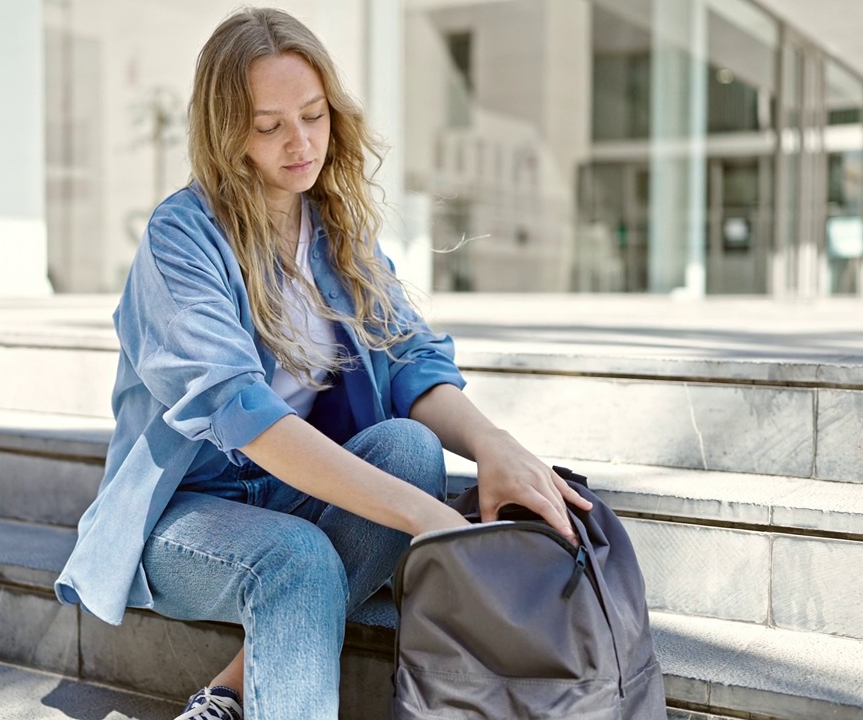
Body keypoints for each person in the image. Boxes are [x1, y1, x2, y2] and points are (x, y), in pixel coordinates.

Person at [53, 8, 592, 720]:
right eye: (269, 125)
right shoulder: (179, 240)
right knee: (298, 562)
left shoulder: (338, 233)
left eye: (312, 115)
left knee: (409, 447)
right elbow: (243, 413)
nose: (299, 142)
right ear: (226, 133)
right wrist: (431, 520)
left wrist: (495, 446)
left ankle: (232, 691)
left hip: (290, 496)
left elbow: (410, 360)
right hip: (183, 515)